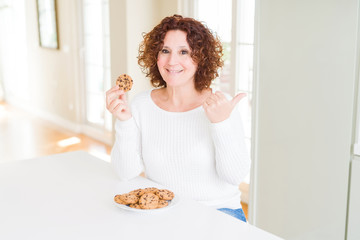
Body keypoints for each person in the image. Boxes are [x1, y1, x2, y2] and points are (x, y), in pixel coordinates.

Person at [105, 14, 250, 222]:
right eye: (165, 51)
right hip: (164, 212)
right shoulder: (140, 105)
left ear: (200, 58)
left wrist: (221, 124)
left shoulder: (221, 104)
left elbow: (234, 176)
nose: (172, 61)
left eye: (184, 52)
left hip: (218, 213)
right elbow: (125, 172)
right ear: (156, 56)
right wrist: (124, 121)